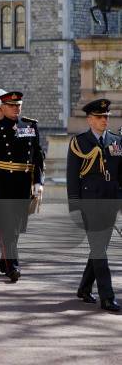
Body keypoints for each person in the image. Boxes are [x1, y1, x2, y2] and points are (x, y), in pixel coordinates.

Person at [0, 91, 44, 283]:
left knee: (17, 227)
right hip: (3, 183)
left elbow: (37, 156)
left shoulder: (30, 125)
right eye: (12, 106)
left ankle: (5, 259)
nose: (16, 109)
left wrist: (38, 181)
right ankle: (13, 266)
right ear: (2, 108)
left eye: (18, 105)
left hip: (23, 182)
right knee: (8, 227)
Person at [67, 99, 121, 312]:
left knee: (99, 249)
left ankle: (84, 288)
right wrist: (75, 208)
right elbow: (72, 178)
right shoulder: (79, 142)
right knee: (99, 250)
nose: (104, 120)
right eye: (100, 117)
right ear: (90, 120)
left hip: (110, 202)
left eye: (106, 116)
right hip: (89, 203)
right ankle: (107, 296)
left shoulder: (117, 141)